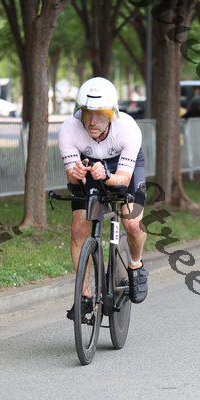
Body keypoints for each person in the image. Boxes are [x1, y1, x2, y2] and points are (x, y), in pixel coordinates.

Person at [58, 77, 148, 320]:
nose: (92, 121)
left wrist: (107, 175)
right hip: (90, 166)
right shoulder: (68, 129)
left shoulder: (128, 129)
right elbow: (71, 177)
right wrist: (76, 173)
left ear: (112, 114)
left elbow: (123, 179)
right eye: (87, 113)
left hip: (123, 169)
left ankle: (136, 264)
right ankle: (84, 296)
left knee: (132, 223)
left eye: (100, 114)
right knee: (78, 228)